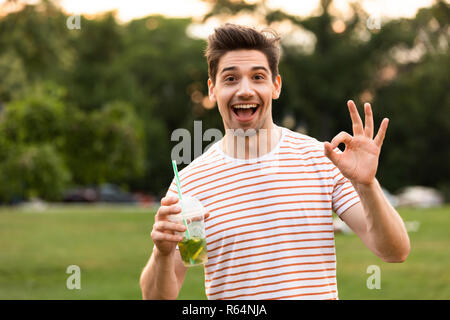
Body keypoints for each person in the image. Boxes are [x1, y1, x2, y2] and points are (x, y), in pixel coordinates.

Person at [139, 24, 410, 300]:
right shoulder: (189, 184)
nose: (245, 90)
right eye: (230, 79)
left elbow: (394, 251)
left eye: (257, 77)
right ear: (212, 89)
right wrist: (161, 254)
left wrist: (367, 185)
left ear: (275, 86)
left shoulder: (321, 159)